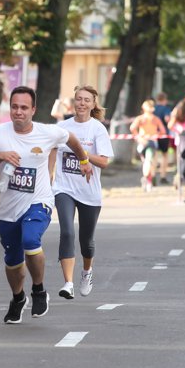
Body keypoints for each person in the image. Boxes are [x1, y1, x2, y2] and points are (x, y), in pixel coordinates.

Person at [0, 86, 92, 324]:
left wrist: (84, 160)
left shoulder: (47, 132)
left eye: (24, 108)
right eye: (14, 107)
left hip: (39, 201)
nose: (18, 112)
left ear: (33, 110)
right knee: (12, 261)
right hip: (8, 209)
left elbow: (71, 138)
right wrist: (0, 156)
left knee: (30, 240)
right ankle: (18, 298)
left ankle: (38, 290)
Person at [50, 86, 112, 300]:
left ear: (93, 104)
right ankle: (68, 283)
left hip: (89, 191)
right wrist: (49, 175)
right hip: (64, 188)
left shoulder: (98, 129)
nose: (82, 103)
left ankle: (87, 272)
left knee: (87, 241)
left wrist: (82, 153)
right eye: (78, 99)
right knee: (67, 232)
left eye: (86, 100)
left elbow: (103, 161)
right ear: (74, 102)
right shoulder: (62, 127)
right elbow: (52, 150)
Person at [130, 99, 166, 192]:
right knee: (149, 162)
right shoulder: (155, 119)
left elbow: (132, 128)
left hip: (142, 143)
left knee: (146, 162)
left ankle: (147, 180)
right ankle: (148, 180)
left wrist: (138, 137)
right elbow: (163, 131)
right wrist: (156, 134)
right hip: (150, 142)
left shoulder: (140, 118)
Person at [168, 100, 185, 189]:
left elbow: (170, 126)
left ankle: (180, 176)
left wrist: (177, 131)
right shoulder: (184, 114)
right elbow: (170, 125)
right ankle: (179, 177)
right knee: (183, 159)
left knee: (182, 160)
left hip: (182, 139)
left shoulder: (177, 114)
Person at [153, 92, 173, 184]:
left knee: (154, 155)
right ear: (165, 100)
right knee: (165, 156)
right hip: (164, 134)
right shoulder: (166, 109)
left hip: (153, 134)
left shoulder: (153, 109)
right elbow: (167, 119)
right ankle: (163, 176)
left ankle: (152, 175)